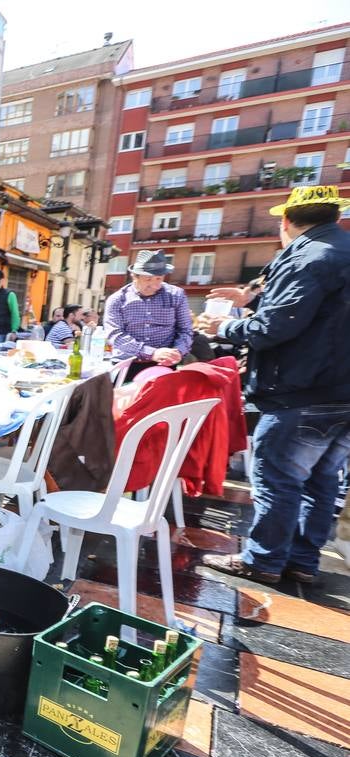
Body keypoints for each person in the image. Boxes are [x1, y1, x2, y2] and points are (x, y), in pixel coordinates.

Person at [192, 184, 350, 591]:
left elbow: (277, 326)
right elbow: (318, 317)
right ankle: (301, 561)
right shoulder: (338, 252)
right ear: (334, 216)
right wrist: (251, 299)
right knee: (322, 480)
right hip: (339, 392)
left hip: (301, 390)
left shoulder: (310, 258)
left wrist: (224, 326)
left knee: (279, 478)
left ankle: (262, 560)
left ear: (285, 222)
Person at [104, 250, 192, 381]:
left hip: (164, 365)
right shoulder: (117, 300)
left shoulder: (176, 295)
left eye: (159, 279)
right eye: (148, 279)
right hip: (127, 365)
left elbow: (186, 330)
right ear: (135, 276)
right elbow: (115, 335)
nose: (155, 285)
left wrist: (178, 351)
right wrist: (152, 353)